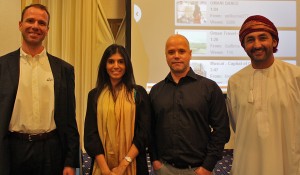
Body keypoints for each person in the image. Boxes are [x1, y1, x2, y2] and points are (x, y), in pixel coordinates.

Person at [0, 3, 79, 175]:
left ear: (47, 29)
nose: (35, 26)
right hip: (13, 151)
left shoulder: (64, 70)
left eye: (41, 23)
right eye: (30, 21)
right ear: (20, 25)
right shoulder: (2, 66)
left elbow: (69, 120)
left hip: (51, 151)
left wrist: (70, 162)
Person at [227, 15, 300, 175]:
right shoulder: (235, 81)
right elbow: (236, 124)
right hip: (247, 165)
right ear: (244, 45)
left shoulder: (295, 76)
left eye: (263, 38)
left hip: (287, 163)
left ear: (274, 42)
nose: (257, 45)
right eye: (250, 40)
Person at [149, 34, 230, 175]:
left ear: (190, 54)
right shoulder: (156, 91)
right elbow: (150, 130)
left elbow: (221, 130)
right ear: (166, 56)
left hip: (199, 170)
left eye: (181, 51)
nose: (176, 56)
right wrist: (155, 160)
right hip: (164, 169)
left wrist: (207, 167)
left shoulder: (209, 88)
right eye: (171, 52)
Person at [84, 44, 151, 175]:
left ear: (127, 66)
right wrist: (105, 170)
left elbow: (143, 133)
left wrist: (122, 166)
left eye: (121, 61)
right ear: (105, 65)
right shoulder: (94, 95)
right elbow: (90, 135)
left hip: (134, 166)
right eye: (111, 61)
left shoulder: (138, 93)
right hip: (102, 167)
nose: (116, 66)